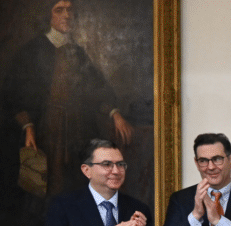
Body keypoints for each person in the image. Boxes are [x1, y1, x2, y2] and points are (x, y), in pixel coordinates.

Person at [3, 0, 134, 205]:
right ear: (49, 15)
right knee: (45, 190)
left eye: (70, 10)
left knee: (75, 187)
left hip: (77, 132)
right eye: (59, 10)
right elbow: (14, 95)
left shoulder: (77, 53)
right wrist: (28, 127)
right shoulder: (31, 51)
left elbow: (97, 88)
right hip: (45, 131)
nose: (66, 15)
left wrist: (115, 113)